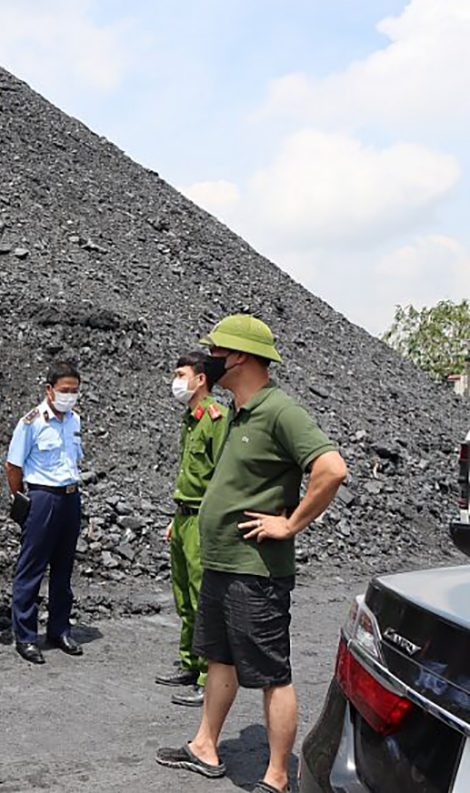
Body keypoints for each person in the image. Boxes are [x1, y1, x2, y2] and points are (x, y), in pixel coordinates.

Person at [156, 315, 347, 793]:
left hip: (255, 573)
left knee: (271, 674)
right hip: (222, 564)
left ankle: (278, 776)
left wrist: (290, 522)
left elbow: (331, 468)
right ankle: (205, 745)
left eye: (217, 352)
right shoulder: (237, 413)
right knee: (220, 659)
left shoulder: (280, 411)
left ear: (238, 357)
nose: (210, 360)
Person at [155, 351, 228, 707]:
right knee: (183, 597)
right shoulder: (190, 419)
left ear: (201, 379)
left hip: (202, 518)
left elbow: (221, 477)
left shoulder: (216, 418)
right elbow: (188, 475)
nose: (176, 380)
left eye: (181, 373)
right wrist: (175, 519)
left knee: (202, 599)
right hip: (183, 516)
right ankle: (188, 663)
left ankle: (205, 677)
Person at [5, 361, 85, 665]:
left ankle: (59, 629)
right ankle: (25, 636)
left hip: (70, 497)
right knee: (31, 569)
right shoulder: (32, 422)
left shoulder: (75, 420)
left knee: (63, 570)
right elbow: (13, 466)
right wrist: (20, 499)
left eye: (75, 391)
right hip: (42, 498)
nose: (70, 396)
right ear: (49, 390)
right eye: (65, 391)